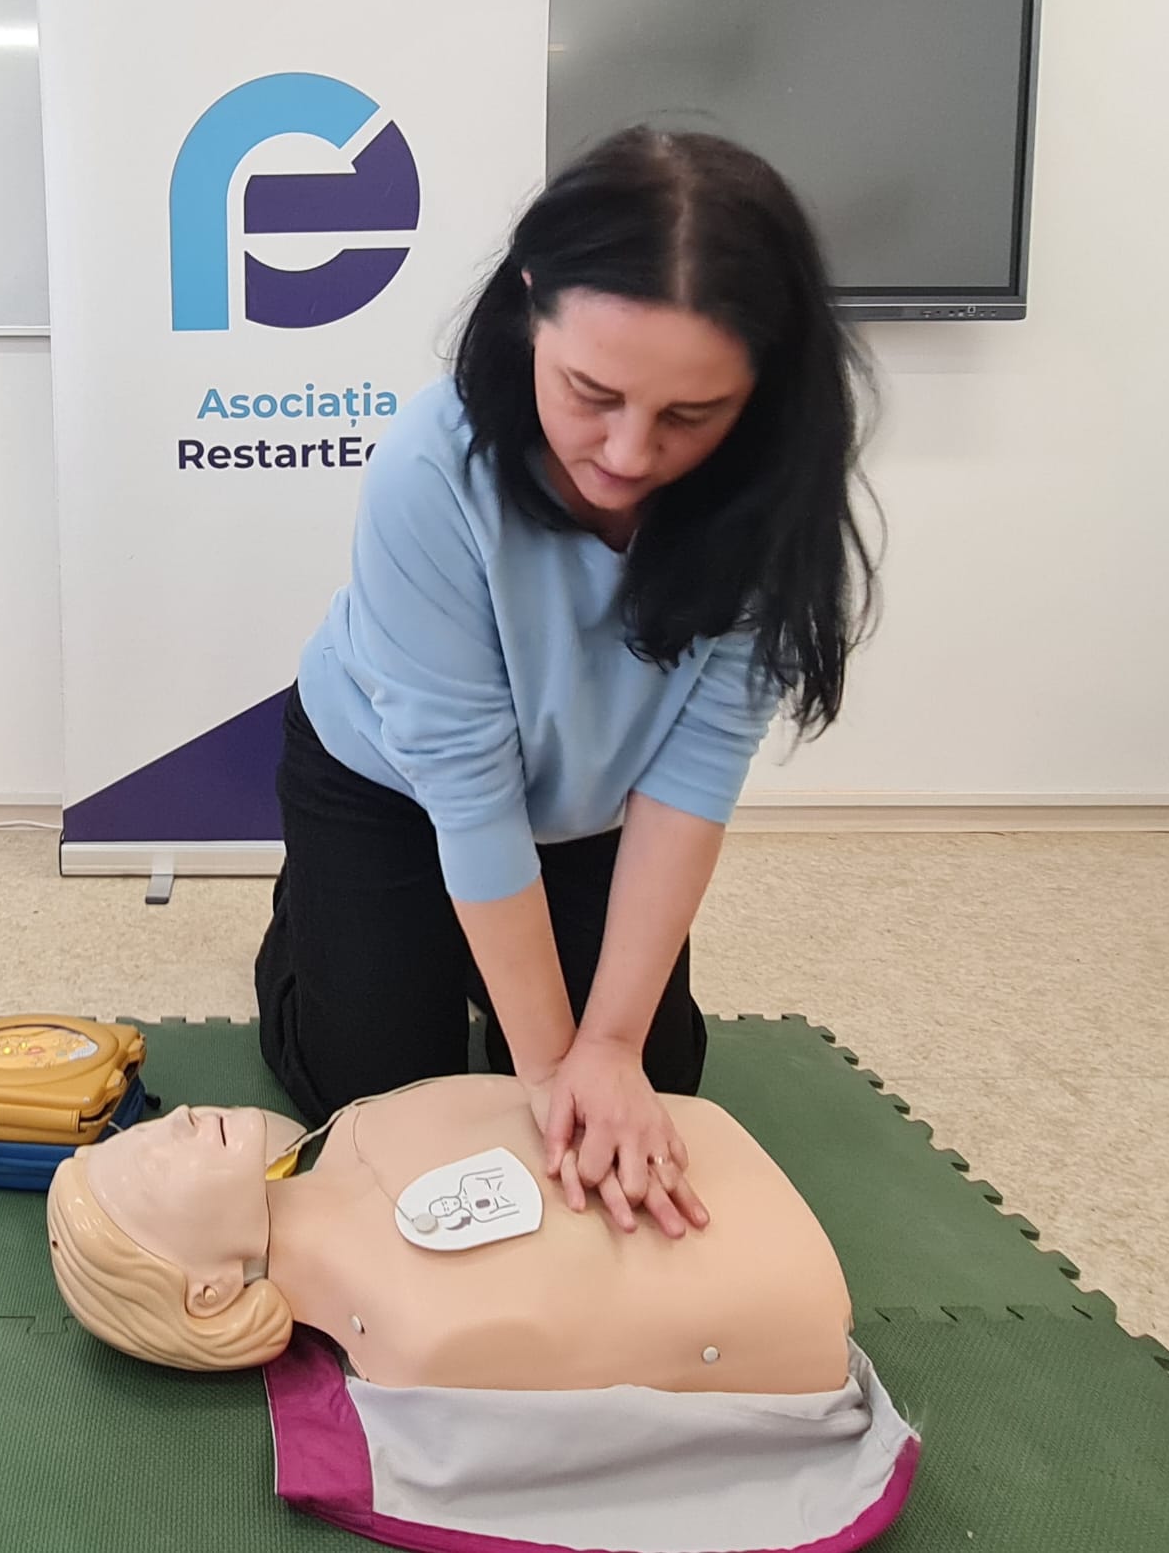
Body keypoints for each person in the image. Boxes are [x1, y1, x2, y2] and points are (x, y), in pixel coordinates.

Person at [253, 126, 877, 1238]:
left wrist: (611, 1048)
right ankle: (311, 917)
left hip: (589, 807)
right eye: (591, 392)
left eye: (689, 416)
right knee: (374, 1101)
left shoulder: (767, 496)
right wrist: (548, 1072)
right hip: (388, 786)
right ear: (530, 302)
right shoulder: (429, 467)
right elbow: (465, 780)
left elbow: (694, 772)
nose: (629, 455)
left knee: (662, 1084)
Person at [45, 1080, 919, 1553]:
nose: (179, 1117)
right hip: (780, 1281)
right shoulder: (417, 1331)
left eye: (148, 1131)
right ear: (208, 1293)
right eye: (153, 1164)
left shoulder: (362, 1122)